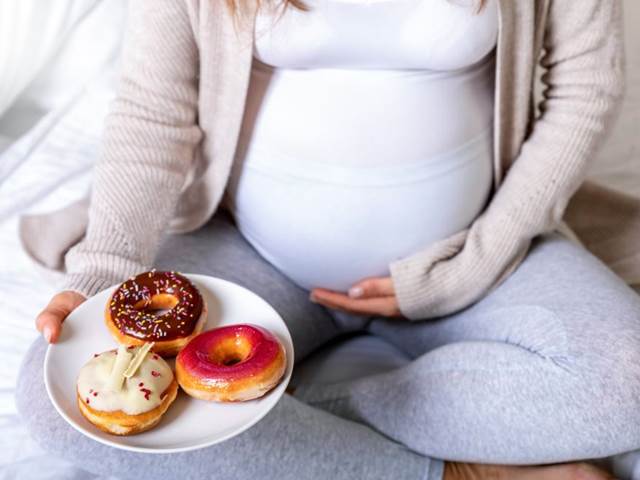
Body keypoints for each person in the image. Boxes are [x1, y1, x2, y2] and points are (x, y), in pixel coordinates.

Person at [16, 0, 639, 479]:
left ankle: (290, 407)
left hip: (475, 257)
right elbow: (154, 109)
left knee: (628, 382)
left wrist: (466, 269)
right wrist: (101, 272)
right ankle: (456, 468)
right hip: (257, 253)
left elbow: (585, 90)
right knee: (57, 406)